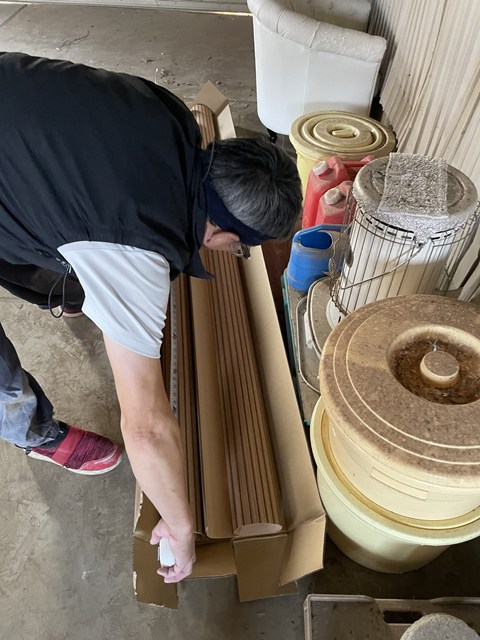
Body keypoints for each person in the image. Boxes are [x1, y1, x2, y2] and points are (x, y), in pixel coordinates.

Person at [0, 51, 302, 584]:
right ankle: (32, 430)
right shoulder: (136, 249)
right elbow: (145, 426)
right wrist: (181, 527)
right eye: (236, 249)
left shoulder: (167, 113)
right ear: (224, 235)